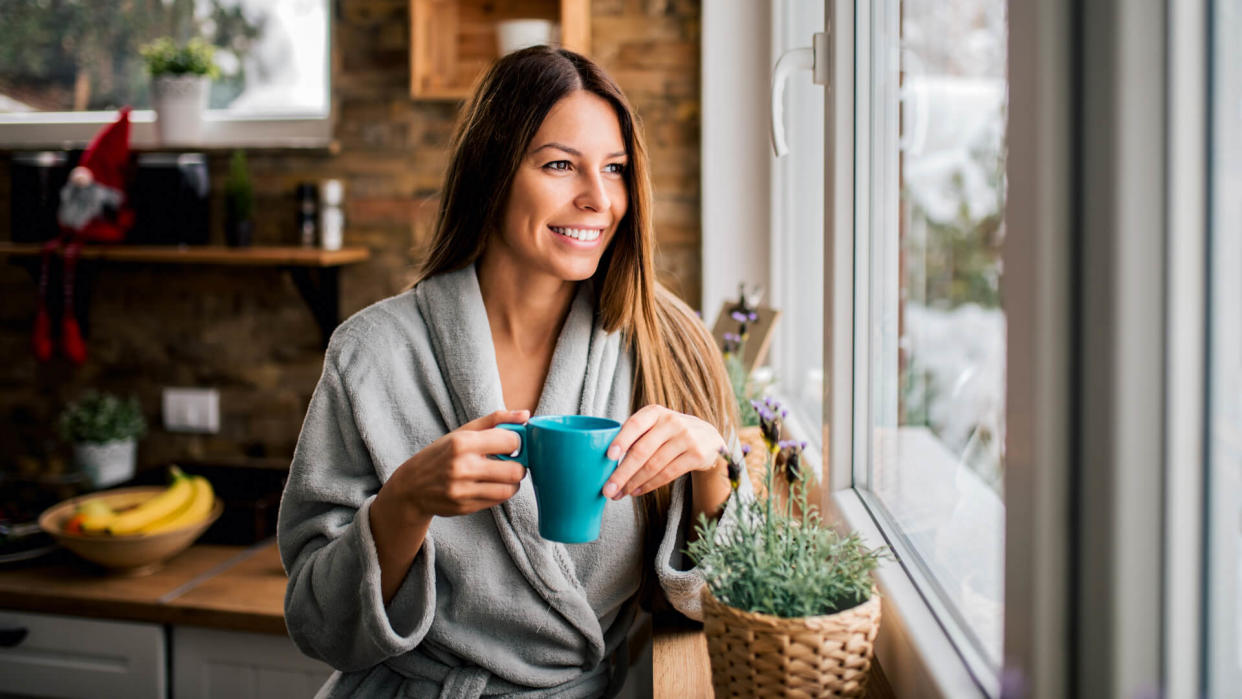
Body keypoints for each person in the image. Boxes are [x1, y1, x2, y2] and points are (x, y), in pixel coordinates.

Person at [278, 46, 746, 698]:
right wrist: (405, 503)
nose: (597, 199)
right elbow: (317, 621)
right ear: (492, 172)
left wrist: (710, 467)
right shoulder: (371, 353)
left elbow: (727, 602)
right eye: (560, 165)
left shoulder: (668, 344)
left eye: (614, 169)